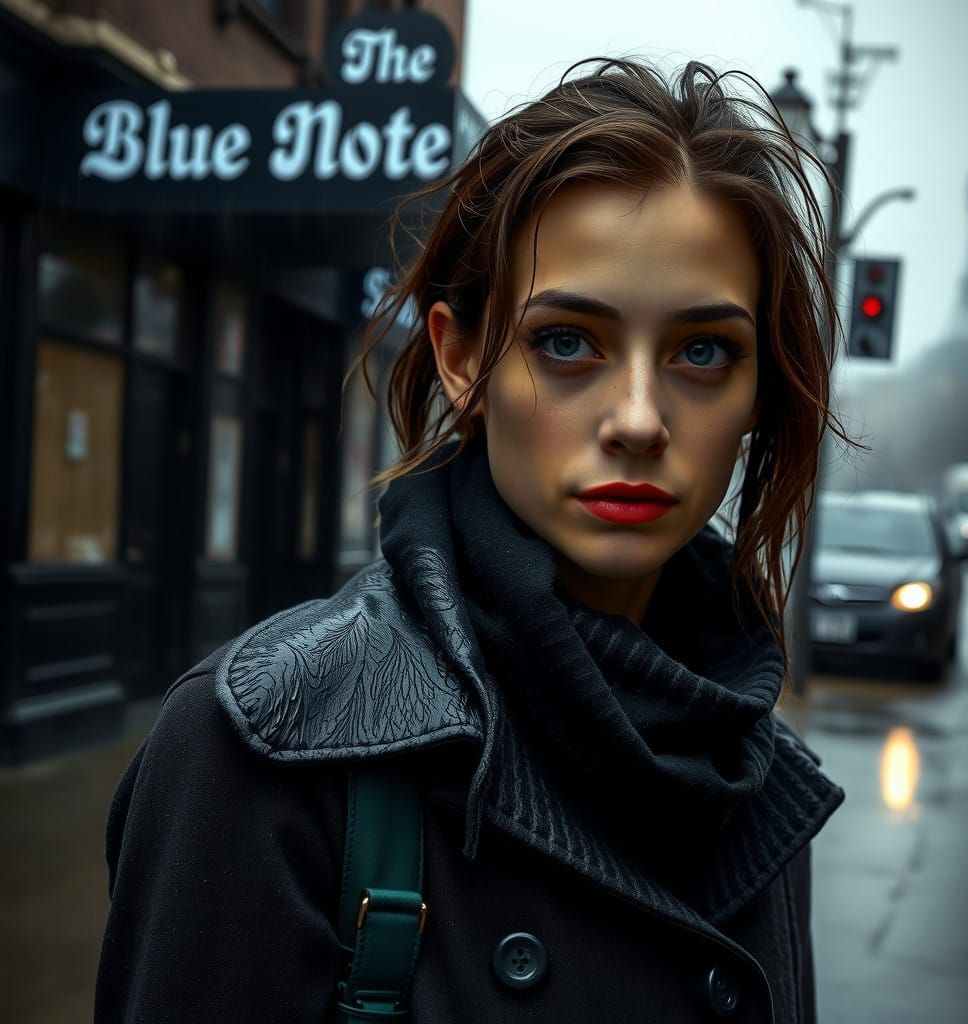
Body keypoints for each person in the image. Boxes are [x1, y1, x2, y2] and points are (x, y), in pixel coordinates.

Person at [95, 57, 852, 1023]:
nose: (637, 418)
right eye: (566, 341)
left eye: (703, 351)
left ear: (758, 393)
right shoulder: (267, 750)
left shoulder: (761, 784)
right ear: (461, 359)